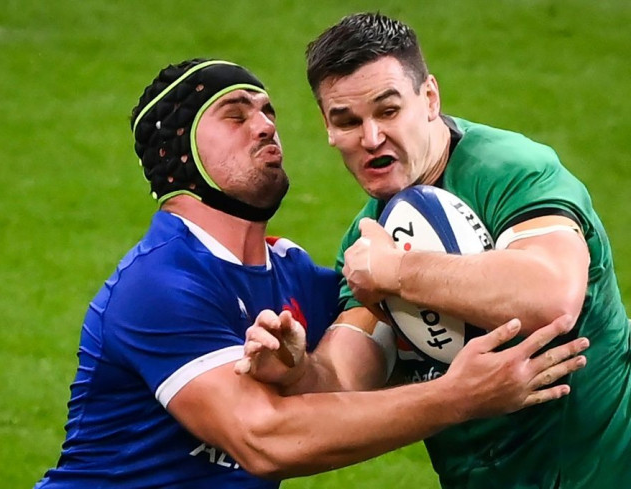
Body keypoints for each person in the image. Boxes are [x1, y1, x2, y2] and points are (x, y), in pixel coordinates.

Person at [33, 58, 589, 489]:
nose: (266, 126)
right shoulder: (160, 284)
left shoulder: (295, 275)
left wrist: (299, 371)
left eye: (267, 111)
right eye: (236, 115)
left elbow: (349, 373)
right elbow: (264, 439)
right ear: (179, 154)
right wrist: (459, 397)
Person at [240, 12, 630, 489]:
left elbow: (552, 298)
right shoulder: (366, 244)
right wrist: (298, 371)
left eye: (388, 111)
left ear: (428, 98)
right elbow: (344, 379)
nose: (371, 138)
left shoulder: (510, 173)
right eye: (347, 121)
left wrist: (400, 272)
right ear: (327, 126)